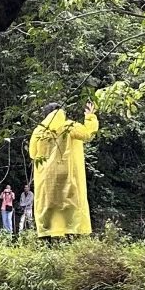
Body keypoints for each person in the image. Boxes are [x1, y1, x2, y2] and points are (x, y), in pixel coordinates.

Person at [29, 101, 99, 238]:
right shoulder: (69, 127)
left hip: (46, 178)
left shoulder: (39, 131)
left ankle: (48, 237)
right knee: (69, 204)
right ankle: (71, 235)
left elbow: (33, 154)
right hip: (67, 175)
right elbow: (87, 134)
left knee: (49, 206)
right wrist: (90, 117)